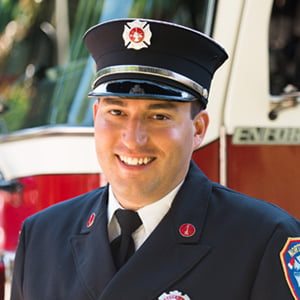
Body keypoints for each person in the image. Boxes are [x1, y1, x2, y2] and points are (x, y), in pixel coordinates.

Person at [11, 18, 300, 300]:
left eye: (159, 116)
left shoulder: (264, 241)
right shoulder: (41, 237)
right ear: (97, 116)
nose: (133, 138)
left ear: (198, 129)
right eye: (117, 113)